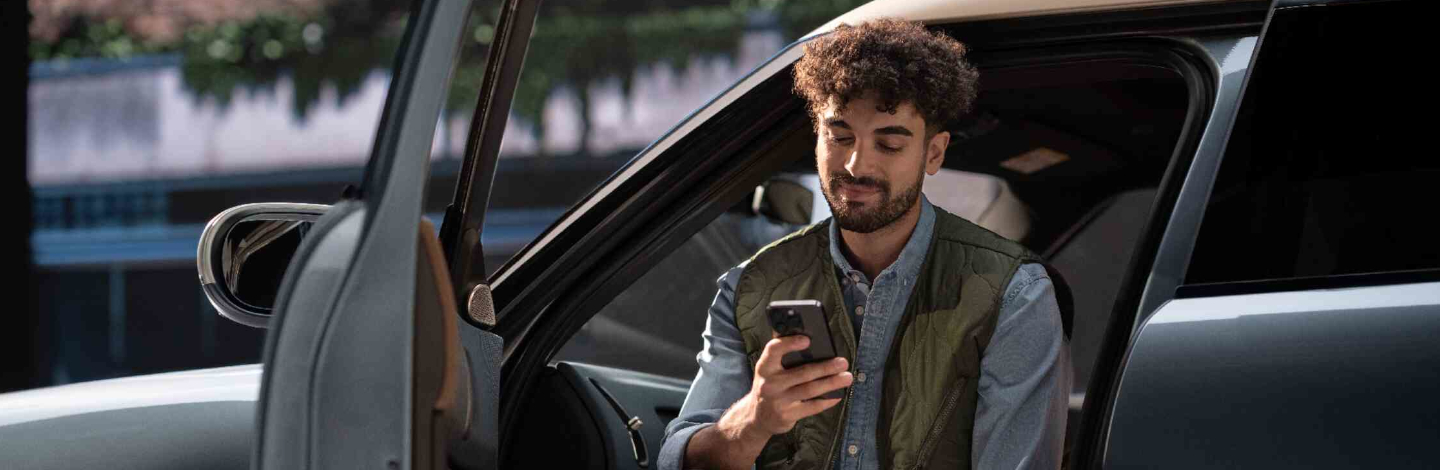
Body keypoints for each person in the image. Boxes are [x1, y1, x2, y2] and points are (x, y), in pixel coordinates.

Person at [657, 18, 1071, 470]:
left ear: (934, 153)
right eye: (840, 137)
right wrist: (752, 421)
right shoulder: (749, 287)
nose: (856, 164)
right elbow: (679, 460)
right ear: (816, 136)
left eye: (889, 144)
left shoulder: (1014, 295)